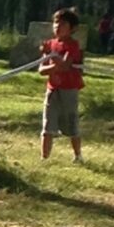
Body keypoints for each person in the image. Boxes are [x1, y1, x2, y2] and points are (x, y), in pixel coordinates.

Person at [38, 8, 85, 160]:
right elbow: (41, 70)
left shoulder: (73, 45)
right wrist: (51, 63)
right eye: (56, 22)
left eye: (63, 24)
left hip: (69, 90)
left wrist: (54, 58)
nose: (58, 26)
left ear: (72, 28)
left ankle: (78, 155)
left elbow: (65, 65)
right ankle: (44, 158)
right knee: (48, 125)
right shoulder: (50, 44)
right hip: (52, 89)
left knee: (71, 124)